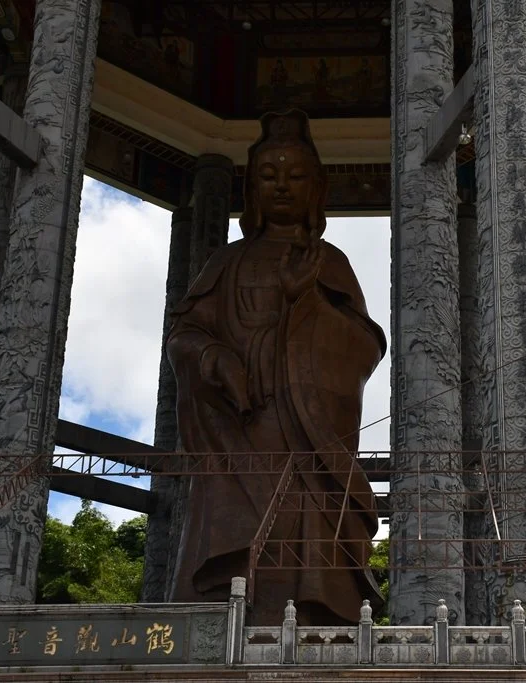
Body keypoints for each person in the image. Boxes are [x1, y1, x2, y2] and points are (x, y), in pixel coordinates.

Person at [166, 110, 385, 626]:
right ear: (252, 190)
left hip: (305, 433)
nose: (282, 186)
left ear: (315, 187)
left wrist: (303, 303)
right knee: (232, 525)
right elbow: (183, 334)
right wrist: (212, 356)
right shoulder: (227, 261)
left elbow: (364, 345)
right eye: (268, 176)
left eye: (295, 176)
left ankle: (311, 611)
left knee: (303, 526)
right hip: (237, 428)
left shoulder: (328, 262)